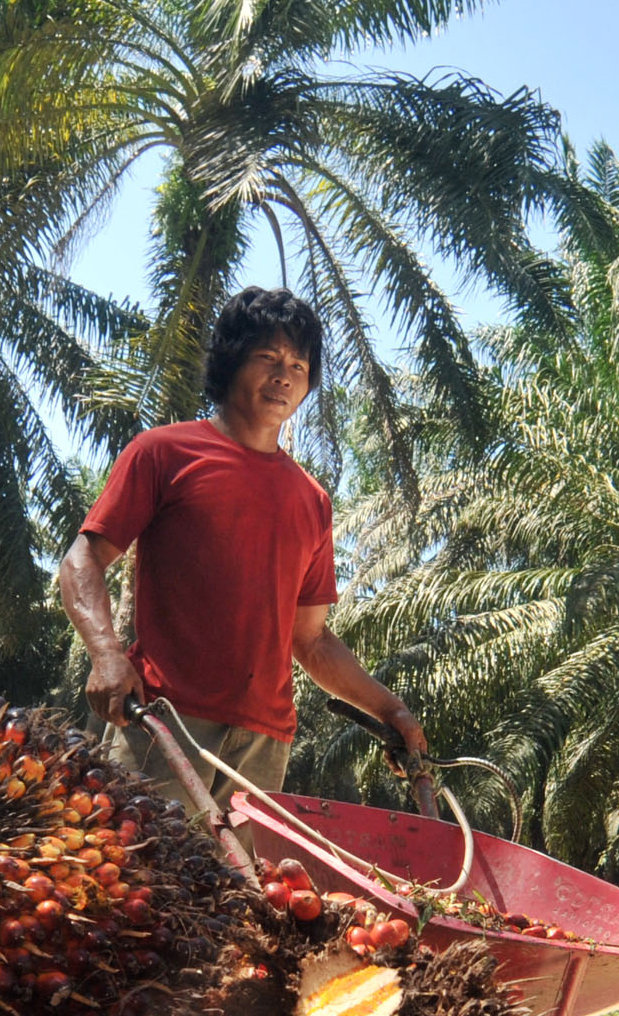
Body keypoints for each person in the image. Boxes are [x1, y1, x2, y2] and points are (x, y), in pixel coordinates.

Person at [57, 287, 425, 819]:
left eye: (298, 366)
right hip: (164, 724)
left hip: (263, 748)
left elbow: (312, 640)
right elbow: (82, 560)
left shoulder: (312, 500)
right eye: (268, 357)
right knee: (138, 866)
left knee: (239, 877)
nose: (284, 376)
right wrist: (106, 655)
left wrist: (391, 709)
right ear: (231, 361)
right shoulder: (163, 453)